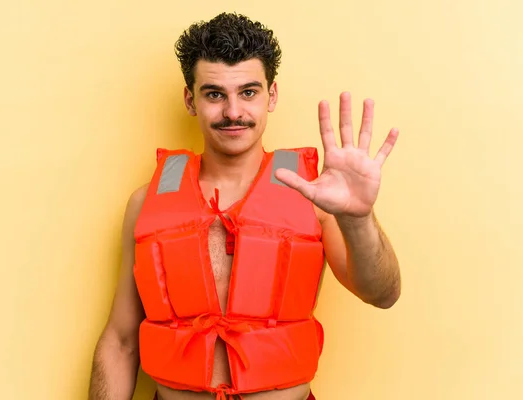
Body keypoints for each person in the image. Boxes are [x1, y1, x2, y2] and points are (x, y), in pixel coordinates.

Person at [88, 12, 401, 400]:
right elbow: (120, 342)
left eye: (248, 92)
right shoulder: (145, 203)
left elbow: (383, 293)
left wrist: (358, 217)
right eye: (215, 94)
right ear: (191, 100)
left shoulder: (315, 196)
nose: (233, 111)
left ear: (271, 96)